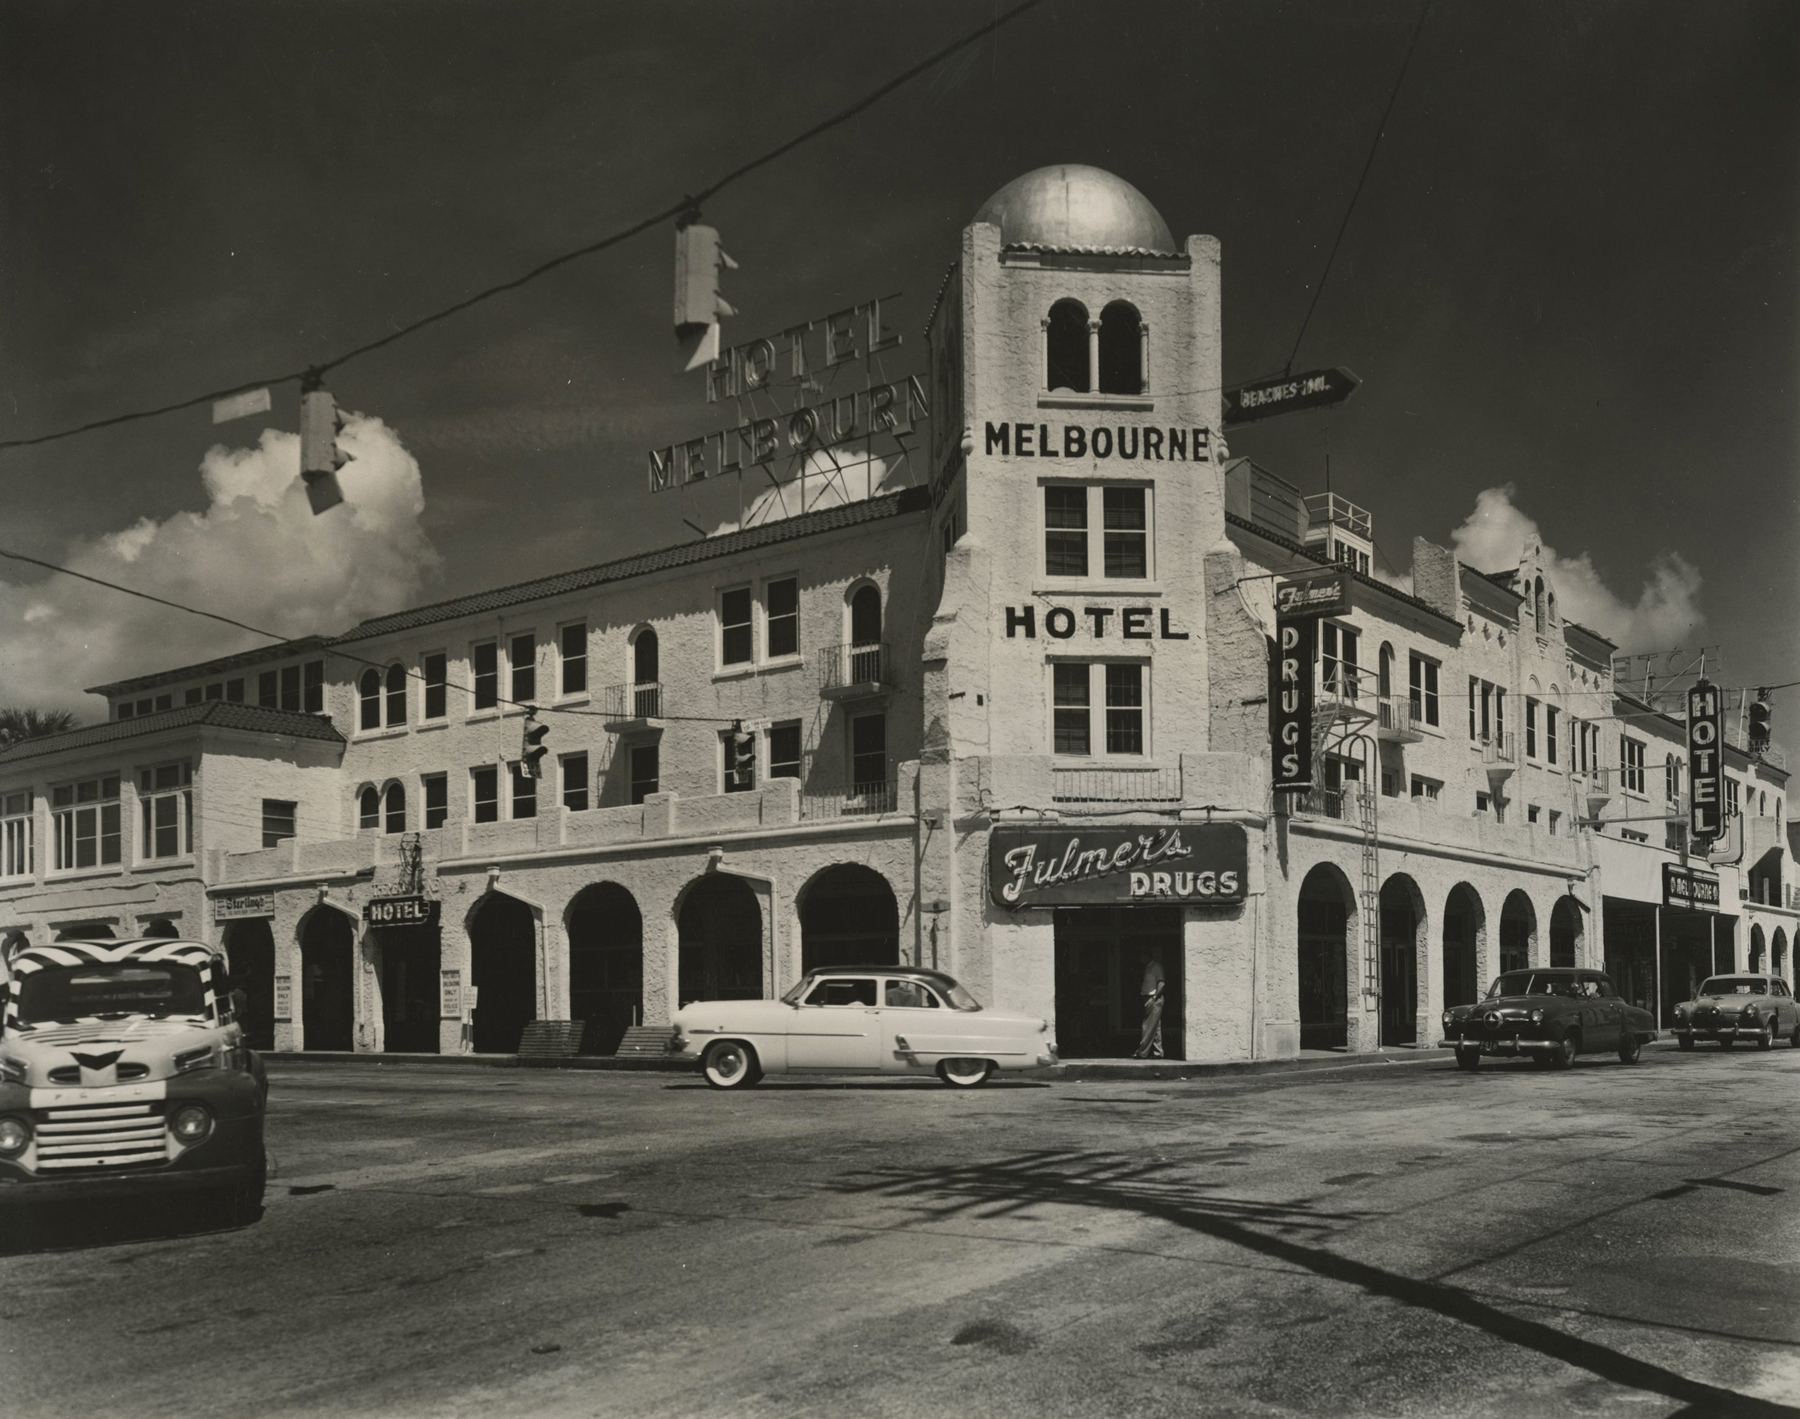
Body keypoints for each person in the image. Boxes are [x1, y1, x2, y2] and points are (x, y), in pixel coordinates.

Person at [1132, 952, 1166, 1059]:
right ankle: (1158, 1052)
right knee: (1155, 1027)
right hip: (1150, 998)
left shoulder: (1156, 967)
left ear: (1147, 956)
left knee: (1147, 1026)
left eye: (1142, 956)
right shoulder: (1148, 967)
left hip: (1154, 999)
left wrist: (1154, 997)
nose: (1141, 959)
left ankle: (1142, 1052)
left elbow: (1161, 983)